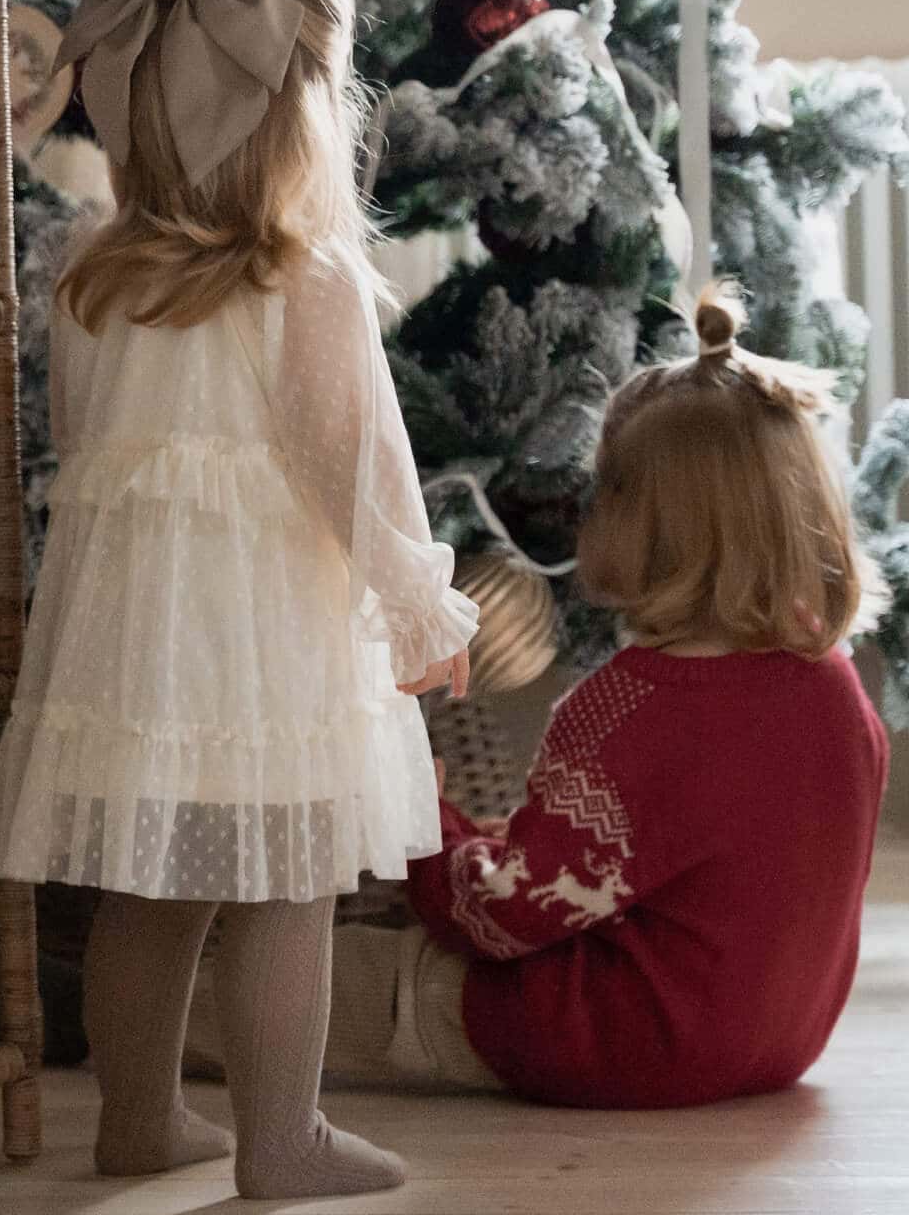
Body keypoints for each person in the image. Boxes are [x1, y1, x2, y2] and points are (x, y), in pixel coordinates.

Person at [0, 0, 477, 1196]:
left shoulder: (92, 275)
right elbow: (351, 461)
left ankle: (137, 1120)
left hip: (144, 636)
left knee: (152, 892)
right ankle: (282, 1138)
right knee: (288, 887)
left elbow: (98, 454)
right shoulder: (300, 281)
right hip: (265, 630)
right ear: (288, 125)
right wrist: (418, 602)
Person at [268, 285, 889, 1109]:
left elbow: (498, 918)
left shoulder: (634, 706)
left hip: (624, 1040)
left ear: (643, 523)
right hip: (775, 1037)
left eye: (605, 490)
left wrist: (426, 826)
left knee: (342, 976)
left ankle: (94, 1018)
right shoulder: (836, 685)